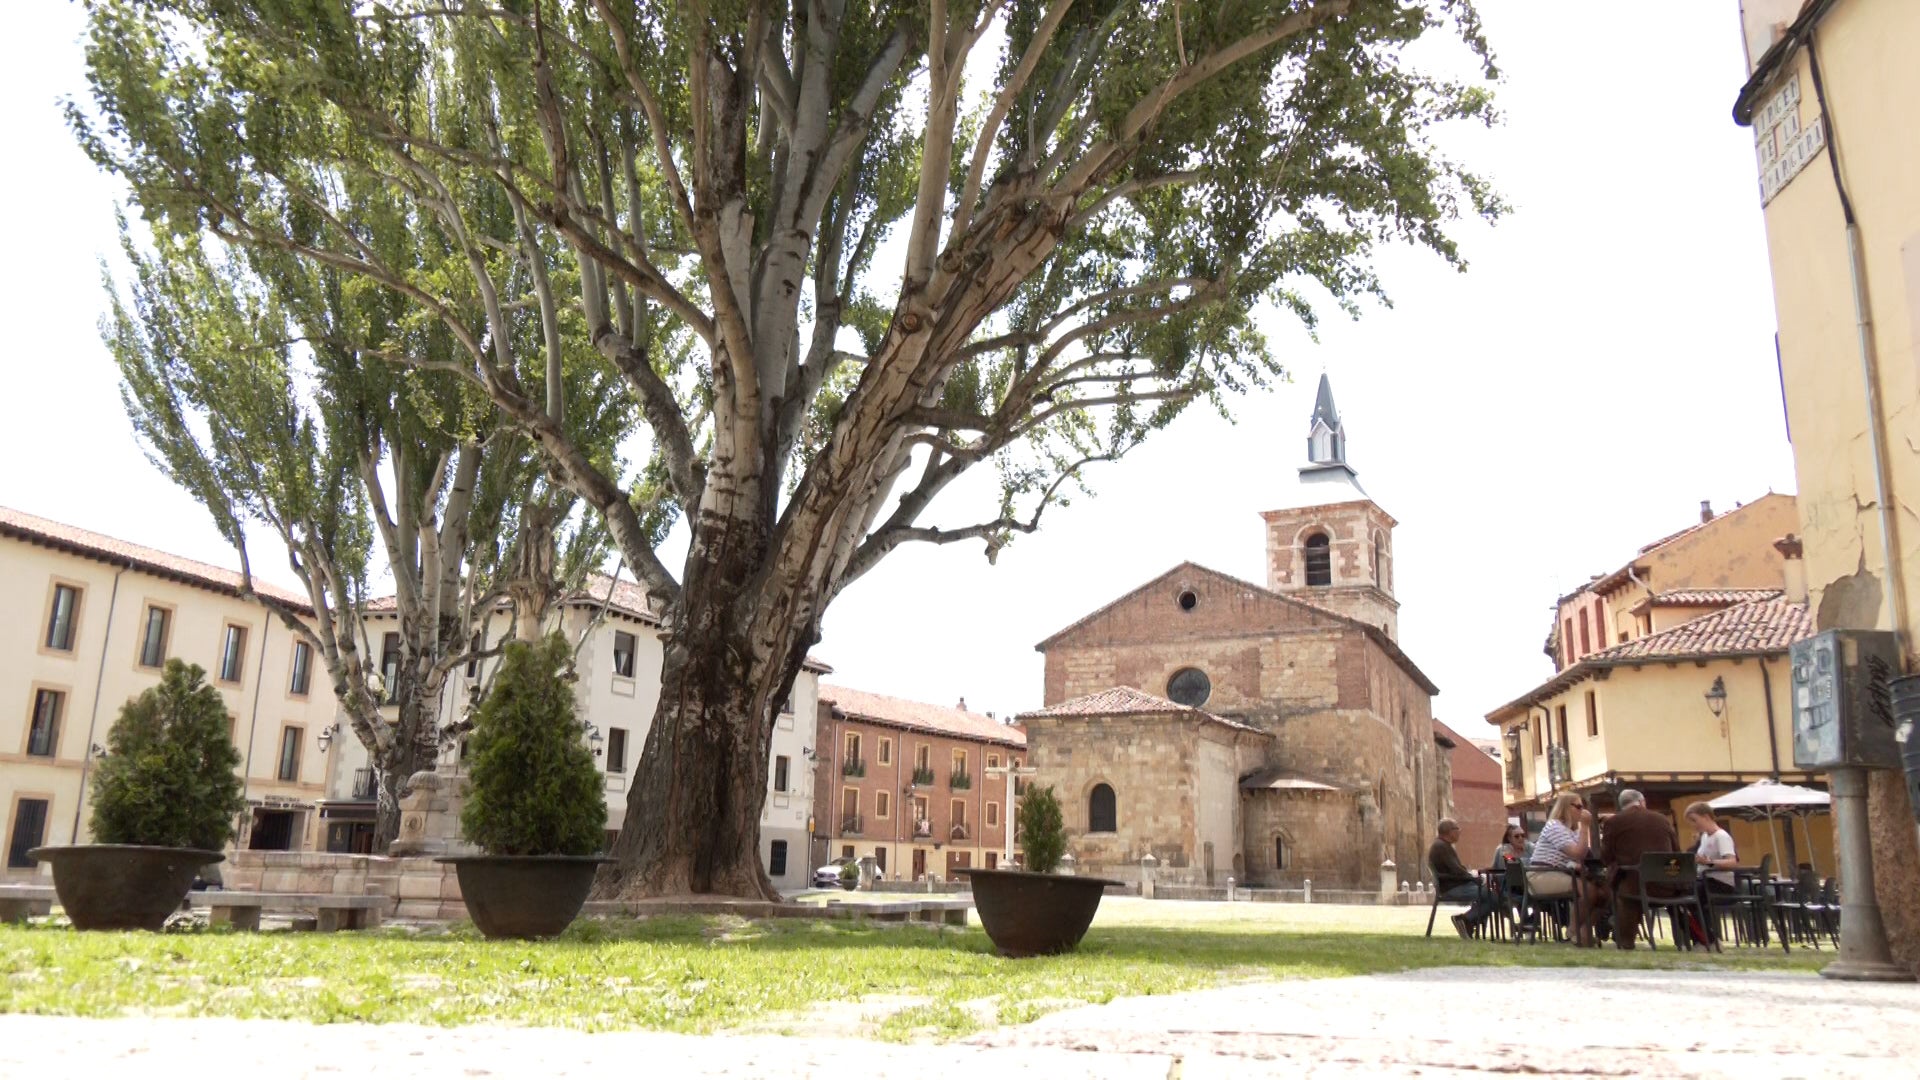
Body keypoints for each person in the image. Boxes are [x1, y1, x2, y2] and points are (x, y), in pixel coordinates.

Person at [1598, 789, 1680, 949]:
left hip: (1634, 886)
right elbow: (1676, 851)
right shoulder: (1662, 819)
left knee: (1620, 890)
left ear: (1622, 806)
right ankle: (1685, 940)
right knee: (1627, 886)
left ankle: (1625, 940)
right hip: (1669, 884)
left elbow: (1606, 857)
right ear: (1642, 802)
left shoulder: (1614, 822)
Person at [1527, 792, 1598, 945]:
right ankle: (1574, 932)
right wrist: (1585, 826)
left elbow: (1582, 855)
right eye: (1578, 806)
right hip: (1540, 875)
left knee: (1601, 892)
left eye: (1583, 807)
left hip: (1558, 872)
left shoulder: (1573, 831)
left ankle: (1581, 932)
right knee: (1587, 889)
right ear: (1566, 808)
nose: (1582, 811)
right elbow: (1578, 852)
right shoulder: (1554, 826)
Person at [1429, 817, 1501, 939]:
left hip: (1453, 885)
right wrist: (1473, 878)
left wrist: (1472, 877)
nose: (1460, 831)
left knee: (1490, 893)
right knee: (1493, 895)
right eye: (1457, 829)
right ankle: (1466, 919)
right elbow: (1457, 871)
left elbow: (1457, 870)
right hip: (1452, 888)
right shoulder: (1441, 846)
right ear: (1450, 831)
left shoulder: (1442, 845)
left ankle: (1468, 922)